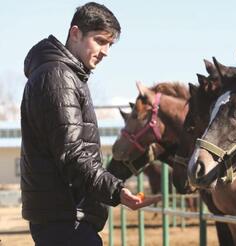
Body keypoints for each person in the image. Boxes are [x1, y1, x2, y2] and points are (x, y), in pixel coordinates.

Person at [21, 2, 160, 245]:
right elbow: (73, 154)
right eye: (100, 41)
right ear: (75, 33)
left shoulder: (65, 75)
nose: (106, 51)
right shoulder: (59, 77)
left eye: (109, 44)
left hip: (63, 216)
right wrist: (116, 191)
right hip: (65, 218)